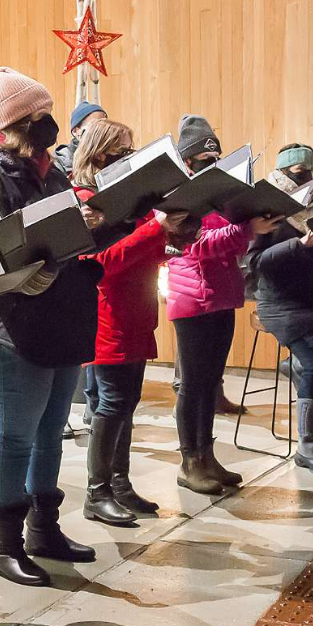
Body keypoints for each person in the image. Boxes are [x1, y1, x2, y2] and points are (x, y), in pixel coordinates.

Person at [0, 68, 108, 586]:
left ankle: (45, 528)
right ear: (11, 123)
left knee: (50, 430)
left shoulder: (48, 165)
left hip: (59, 309)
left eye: (49, 116)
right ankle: (5, 544)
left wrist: (84, 222)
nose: (48, 126)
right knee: (17, 433)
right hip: (10, 320)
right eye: (37, 118)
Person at [71, 119, 189, 524]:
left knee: (127, 403)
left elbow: (140, 252)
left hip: (137, 310)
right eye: (122, 149)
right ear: (100, 153)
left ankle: (119, 484)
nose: (129, 155)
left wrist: (170, 238)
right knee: (111, 403)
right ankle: (96, 492)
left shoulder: (131, 199)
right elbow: (100, 264)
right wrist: (155, 228)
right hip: (109, 315)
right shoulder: (87, 202)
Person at [166, 115, 281, 494]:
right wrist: (247, 230)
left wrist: (253, 223)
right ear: (187, 161)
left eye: (215, 157)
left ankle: (207, 455)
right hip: (193, 295)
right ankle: (189, 462)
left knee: (211, 381)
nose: (210, 164)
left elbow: (229, 243)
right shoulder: (177, 197)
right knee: (194, 384)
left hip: (222, 293)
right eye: (203, 158)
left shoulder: (220, 196)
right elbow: (196, 245)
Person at [247, 144, 313, 473]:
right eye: (295, 170)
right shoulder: (266, 208)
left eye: (306, 170)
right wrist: (296, 244)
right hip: (278, 301)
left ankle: (297, 367)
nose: (301, 174)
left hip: (310, 295)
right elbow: (255, 262)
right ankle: (308, 445)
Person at [55, 99, 106, 175]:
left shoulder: (110, 153)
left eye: (105, 125)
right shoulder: (62, 161)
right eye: (95, 125)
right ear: (76, 131)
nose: (101, 130)